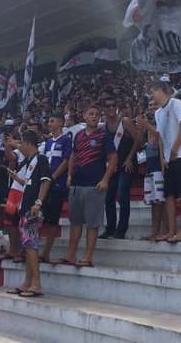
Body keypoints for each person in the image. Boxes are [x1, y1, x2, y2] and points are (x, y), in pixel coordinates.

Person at [61, 104, 116, 266]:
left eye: (97, 114)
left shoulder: (104, 136)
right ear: (84, 116)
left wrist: (105, 179)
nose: (94, 116)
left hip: (94, 185)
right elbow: (73, 155)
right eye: (91, 113)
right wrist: (70, 175)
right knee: (75, 222)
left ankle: (88, 256)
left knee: (92, 223)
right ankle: (71, 254)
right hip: (77, 185)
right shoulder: (77, 135)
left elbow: (113, 158)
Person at [5, 131, 51, 298]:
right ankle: (27, 282)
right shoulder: (29, 161)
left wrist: (38, 202)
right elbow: (29, 183)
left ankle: (36, 284)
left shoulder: (41, 159)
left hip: (33, 209)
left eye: (21, 144)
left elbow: (46, 181)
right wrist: (17, 179)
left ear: (28, 143)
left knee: (31, 246)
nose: (20, 147)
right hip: (25, 208)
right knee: (27, 246)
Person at [152, 81, 181, 243]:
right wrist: (163, 157)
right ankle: (171, 231)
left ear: (163, 90)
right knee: (169, 194)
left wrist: (175, 148)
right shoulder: (158, 113)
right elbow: (160, 137)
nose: (153, 94)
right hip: (169, 158)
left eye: (155, 90)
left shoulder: (176, 103)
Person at [101, 99, 137, 240]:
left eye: (113, 105)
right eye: (108, 105)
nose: (111, 107)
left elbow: (138, 140)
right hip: (113, 167)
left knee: (123, 195)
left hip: (126, 164)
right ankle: (110, 229)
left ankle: (121, 230)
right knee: (109, 197)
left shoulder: (125, 121)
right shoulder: (103, 127)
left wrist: (129, 158)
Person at [39, 113, 72, 263]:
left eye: (52, 120)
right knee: (40, 218)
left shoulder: (66, 140)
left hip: (56, 185)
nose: (49, 123)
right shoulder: (47, 143)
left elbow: (66, 161)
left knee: (52, 220)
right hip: (45, 184)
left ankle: (45, 252)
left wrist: (53, 178)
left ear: (60, 123)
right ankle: (36, 250)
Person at [136, 99, 166, 240]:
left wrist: (147, 125)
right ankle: (154, 232)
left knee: (162, 200)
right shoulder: (147, 127)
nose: (152, 107)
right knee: (154, 201)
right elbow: (140, 145)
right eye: (150, 105)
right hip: (150, 169)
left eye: (155, 104)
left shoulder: (163, 121)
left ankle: (164, 231)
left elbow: (162, 136)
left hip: (161, 168)